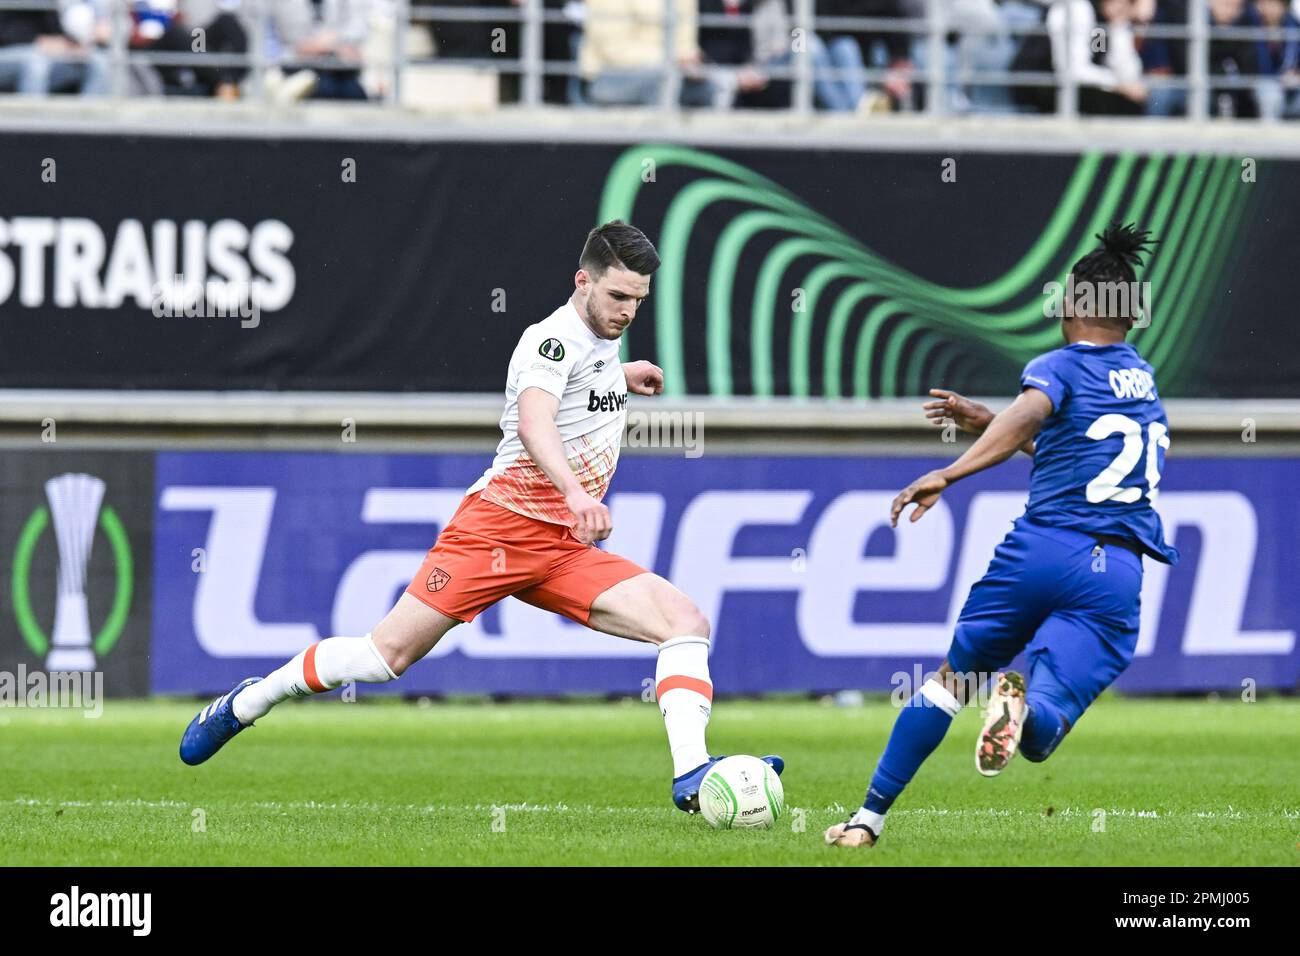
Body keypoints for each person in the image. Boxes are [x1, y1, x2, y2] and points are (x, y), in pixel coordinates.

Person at [180, 221, 783, 814]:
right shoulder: (549, 339)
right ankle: (249, 701)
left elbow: (582, 384)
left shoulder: (600, 342)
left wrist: (621, 376)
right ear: (583, 281)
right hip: (497, 528)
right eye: (617, 296)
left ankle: (690, 775)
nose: (627, 310)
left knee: (685, 621)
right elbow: (534, 421)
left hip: (562, 548)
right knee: (383, 657)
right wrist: (575, 493)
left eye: (638, 301)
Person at [826, 223, 1178, 848]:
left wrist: (949, 470)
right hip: (1113, 573)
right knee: (1046, 731)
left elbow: (1030, 415)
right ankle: (1026, 710)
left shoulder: (1059, 366)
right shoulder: (1143, 383)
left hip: (1041, 551)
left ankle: (867, 821)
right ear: (1133, 317)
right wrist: (990, 422)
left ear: (1072, 306)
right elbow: (1065, 446)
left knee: (952, 680)